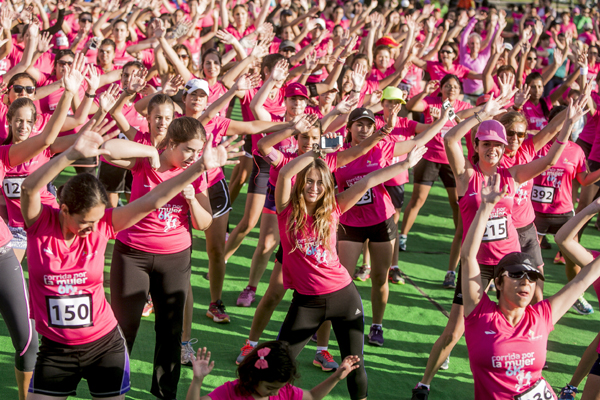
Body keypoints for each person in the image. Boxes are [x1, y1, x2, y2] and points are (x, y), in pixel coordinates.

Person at [22, 121, 243, 400]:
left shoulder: (104, 224)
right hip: (55, 349)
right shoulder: (40, 224)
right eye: (84, 222)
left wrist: (199, 168)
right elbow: (30, 188)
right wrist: (71, 154)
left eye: (96, 220)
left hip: (103, 346)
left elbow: (152, 201)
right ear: (64, 210)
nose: (91, 228)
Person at [411, 95, 582, 400]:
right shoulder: (466, 178)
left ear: (504, 151)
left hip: (509, 266)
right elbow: (450, 137)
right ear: (476, 147)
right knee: (454, 331)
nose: (492, 149)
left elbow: (550, 160)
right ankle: (425, 381)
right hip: (475, 266)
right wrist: (483, 113)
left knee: (530, 315)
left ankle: (525, 375)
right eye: (486, 143)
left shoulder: (512, 175)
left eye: (498, 145)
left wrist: (568, 125)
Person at [275, 131, 428, 399]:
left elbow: (368, 180)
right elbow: (285, 173)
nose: (313, 188)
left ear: (328, 186)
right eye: (308, 182)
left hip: (344, 297)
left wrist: (405, 165)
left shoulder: (334, 207)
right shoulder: (286, 210)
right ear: (301, 184)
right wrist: (316, 155)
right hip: (306, 303)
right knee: (278, 362)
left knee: (355, 366)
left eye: (320, 183)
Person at [459, 172, 600, 399]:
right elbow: (467, 257)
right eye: (516, 274)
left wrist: (594, 207)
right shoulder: (480, 313)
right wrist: (485, 208)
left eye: (532, 277)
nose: (526, 280)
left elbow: (583, 278)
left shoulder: (542, 316)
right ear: (498, 282)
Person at [186, 341, 360, 400]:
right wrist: (197, 380)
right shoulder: (232, 391)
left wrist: (337, 377)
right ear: (253, 376)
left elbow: (313, 396)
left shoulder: (284, 391)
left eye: (278, 387)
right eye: (270, 388)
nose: (275, 393)